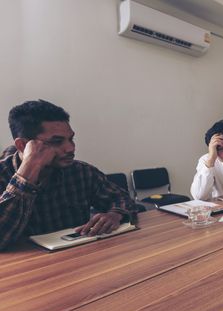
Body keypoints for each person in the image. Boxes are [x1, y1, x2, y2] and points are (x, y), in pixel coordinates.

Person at [0, 100, 137, 250]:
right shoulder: (3, 174)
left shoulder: (81, 171)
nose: (70, 148)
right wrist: (28, 172)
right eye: (57, 141)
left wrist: (114, 214)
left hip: (79, 259)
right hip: (24, 268)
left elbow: (122, 198)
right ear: (23, 145)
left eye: (71, 139)